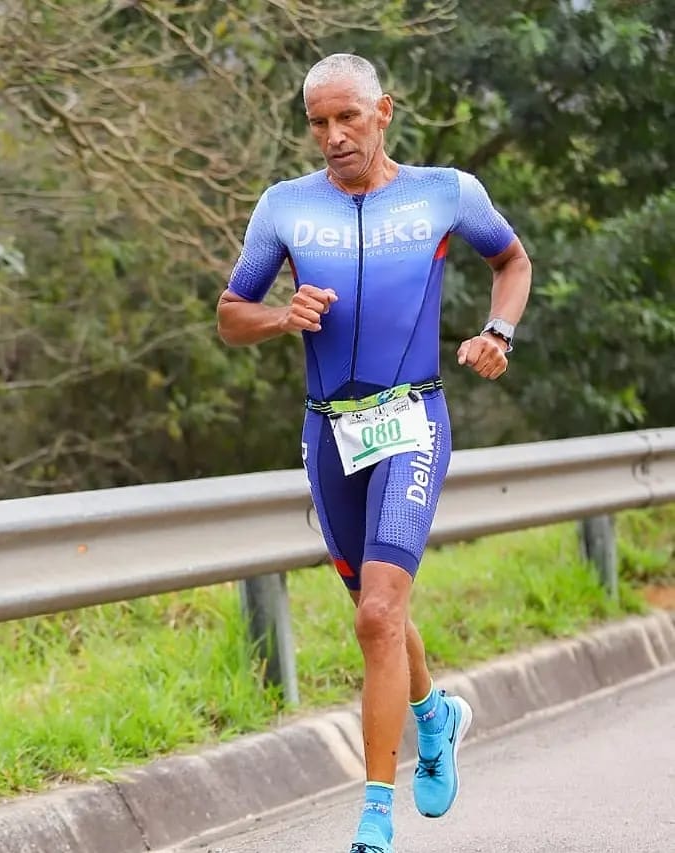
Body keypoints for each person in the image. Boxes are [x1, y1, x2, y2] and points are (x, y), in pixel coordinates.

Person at [216, 53, 532, 853]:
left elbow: (511, 260)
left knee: (379, 612)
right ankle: (436, 714)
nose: (331, 137)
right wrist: (283, 316)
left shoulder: (443, 192)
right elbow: (229, 313)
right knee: (376, 617)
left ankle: (373, 817)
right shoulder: (285, 208)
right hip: (328, 431)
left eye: (346, 118)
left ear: (382, 111)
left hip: (411, 420)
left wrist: (498, 332)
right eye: (317, 122)